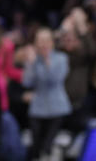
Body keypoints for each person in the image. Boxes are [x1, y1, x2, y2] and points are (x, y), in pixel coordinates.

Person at [21, 28, 71, 161]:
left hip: (57, 107)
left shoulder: (61, 58)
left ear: (52, 42)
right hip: (38, 107)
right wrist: (30, 64)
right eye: (40, 41)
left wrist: (47, 62)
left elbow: (55, 80)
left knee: (47, 146)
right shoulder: (34, 60)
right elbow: (27, 82)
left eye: (46, 41)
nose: (43, 44)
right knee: (35, 145)